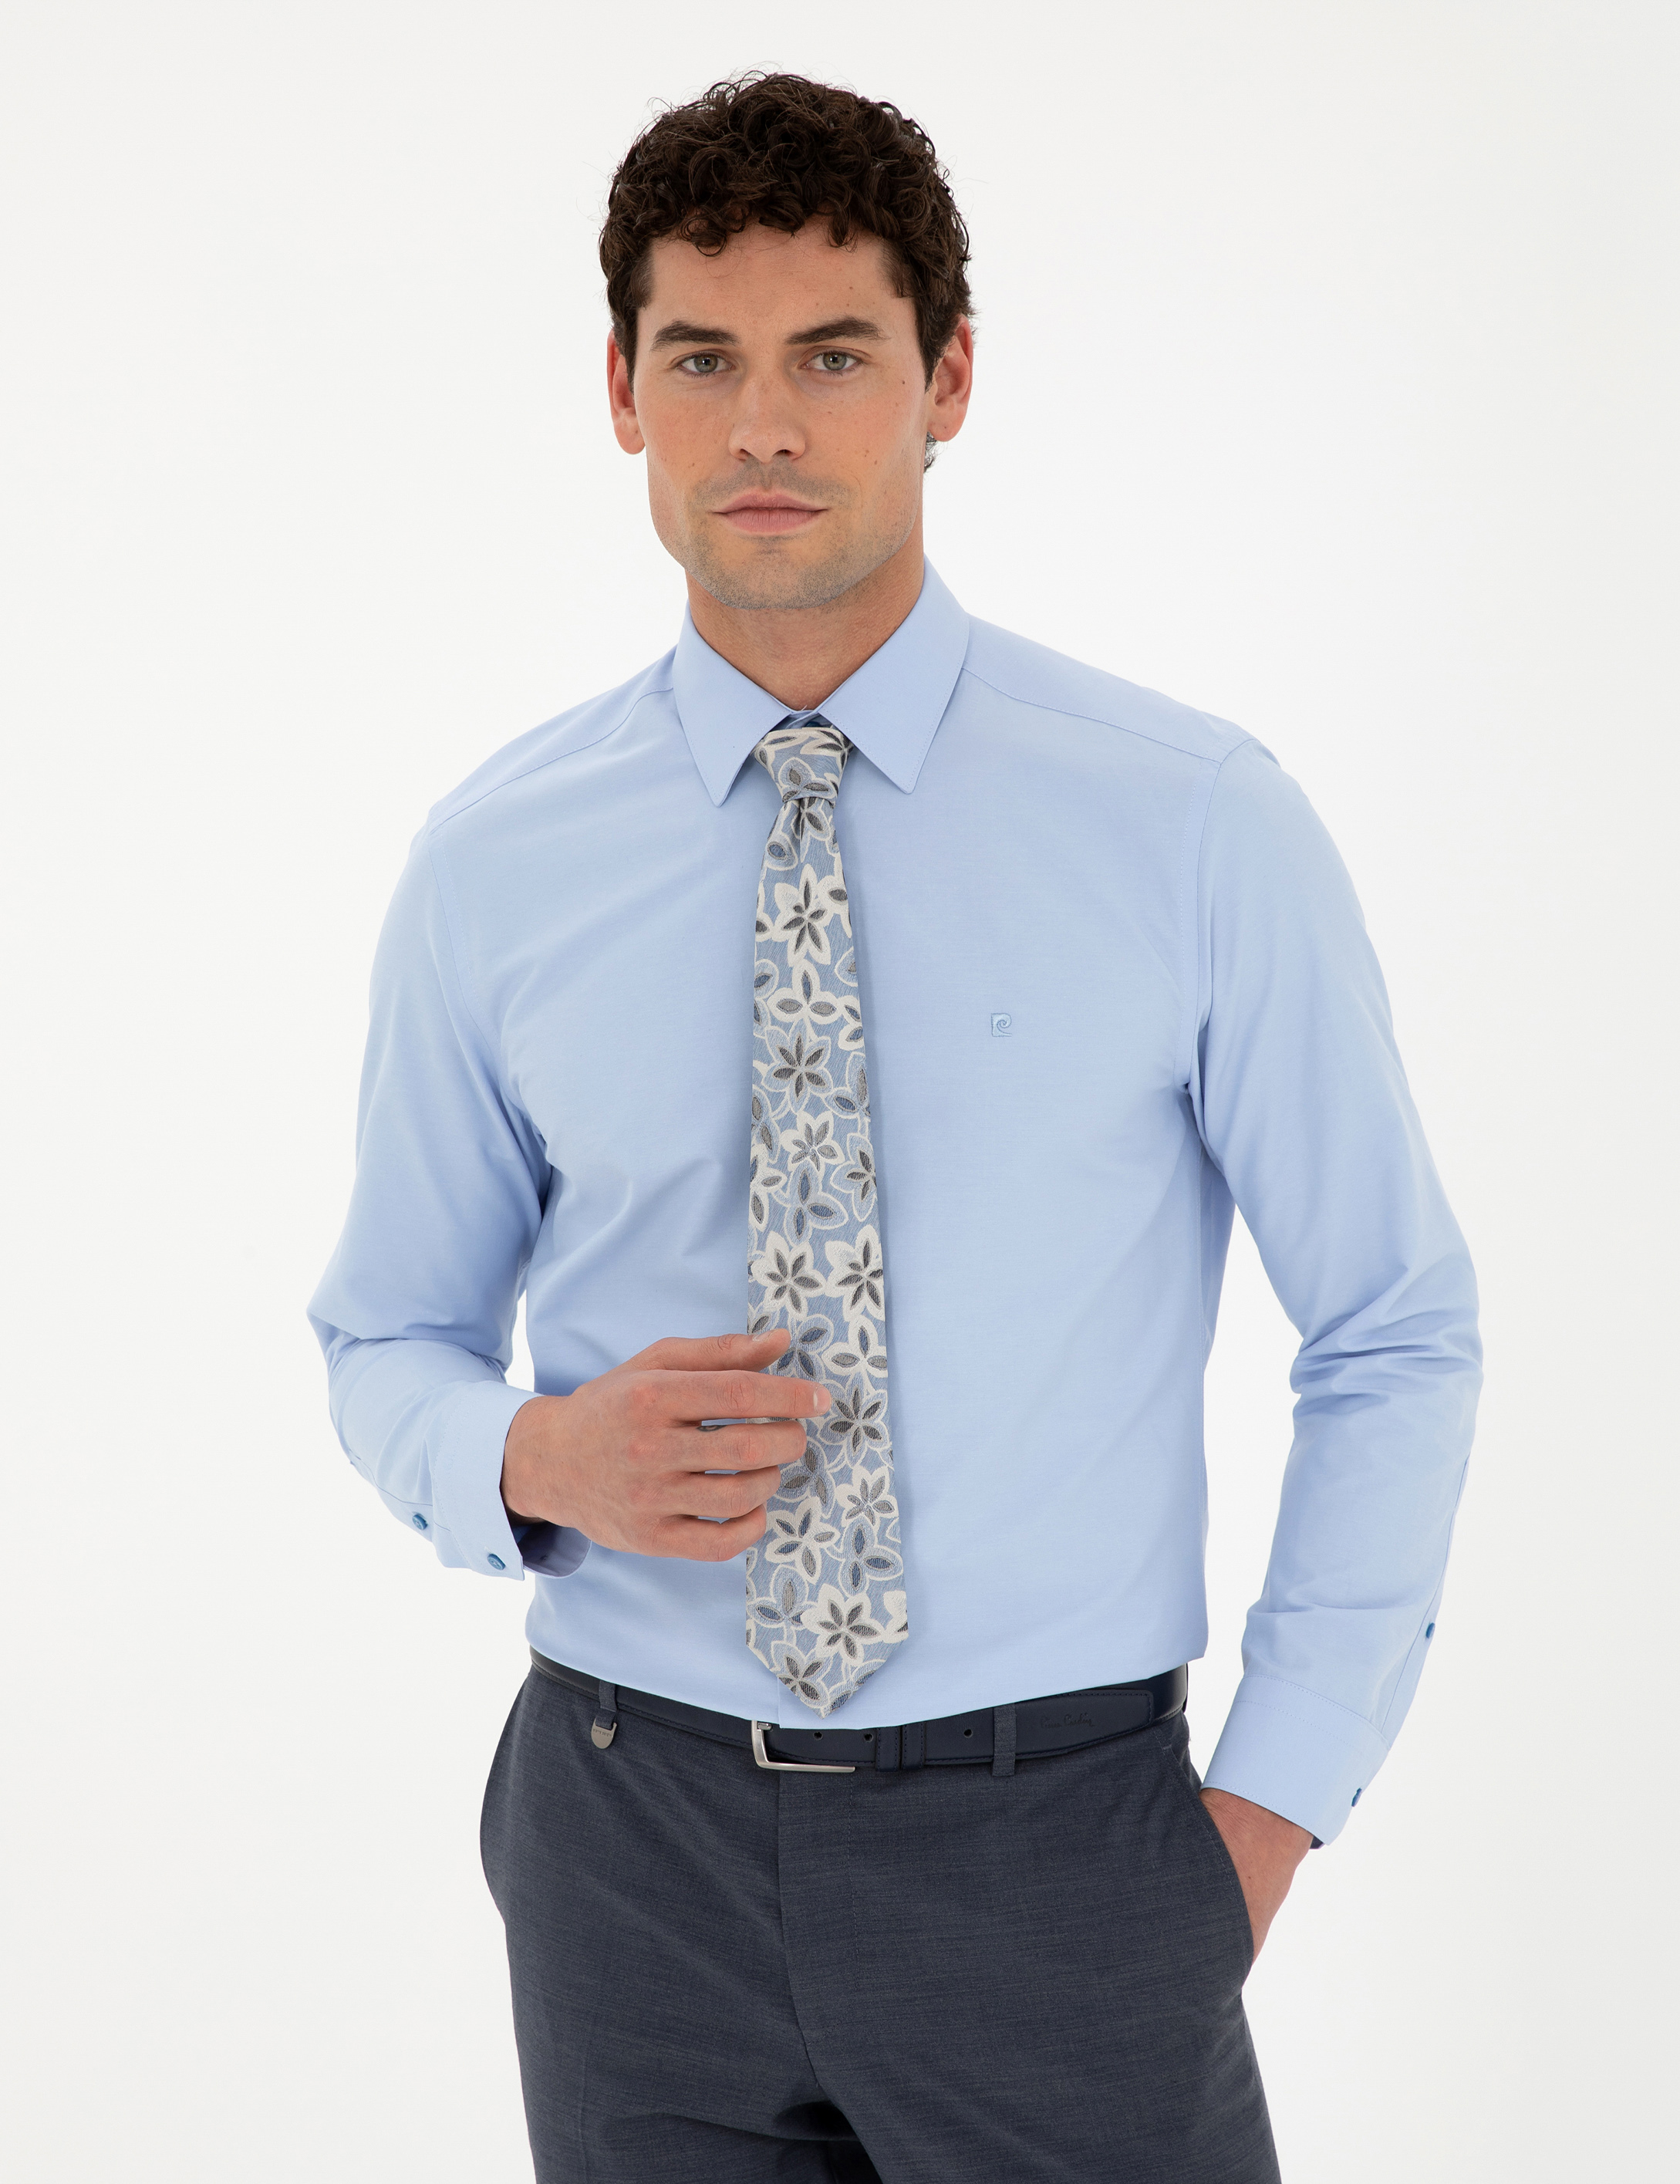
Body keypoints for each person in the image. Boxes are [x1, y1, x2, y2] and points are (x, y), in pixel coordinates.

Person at [309, 70, 1481, 2184]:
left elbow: (1392, 1325)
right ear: (621, 394)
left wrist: (1263, 1813)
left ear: (946, 381)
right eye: (703, 359)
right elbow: (383, 1335)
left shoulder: (1192, 823)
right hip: (625, 1847)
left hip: (1063, 1852)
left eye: (831, 356)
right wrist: (533, 1459)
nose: (763, 425)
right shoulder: (494, 864)